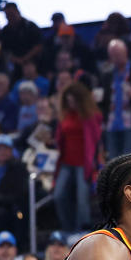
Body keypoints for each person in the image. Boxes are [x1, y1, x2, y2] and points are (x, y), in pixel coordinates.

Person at [54, 80, 103, 232]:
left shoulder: (91, 116)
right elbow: (59, 137)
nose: (71, 104)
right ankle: (68, 228)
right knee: (59, 195)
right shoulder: (65, 115)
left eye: (73, 100)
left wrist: (97, 162)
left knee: (83, 199)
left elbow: (97, 139)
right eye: (68, 101)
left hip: (84, 163)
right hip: (66, 162)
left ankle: (83, 230)